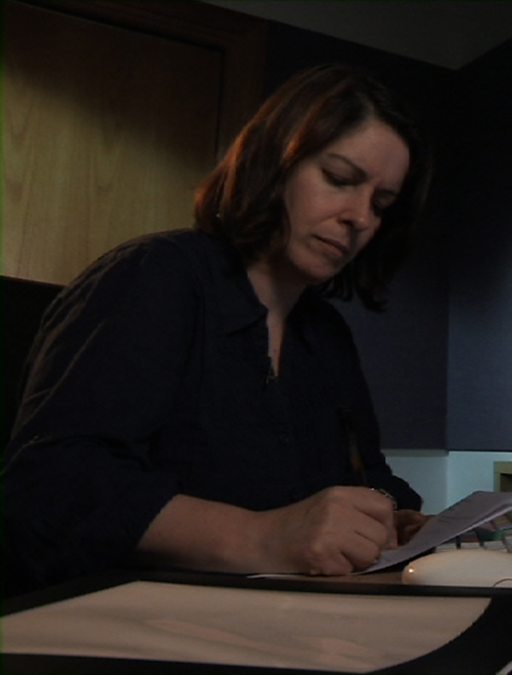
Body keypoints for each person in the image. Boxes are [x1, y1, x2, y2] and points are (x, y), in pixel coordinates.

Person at [1, 64, 433, 594]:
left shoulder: (327, 335)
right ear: (275, 163)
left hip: (286, 614)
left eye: (381, 205)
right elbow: (48, 487)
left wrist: (395, 518)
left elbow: (368, 475)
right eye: (339, 179)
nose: (361, 218)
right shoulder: (157, 277)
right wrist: (262, 536)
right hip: (131, 612)